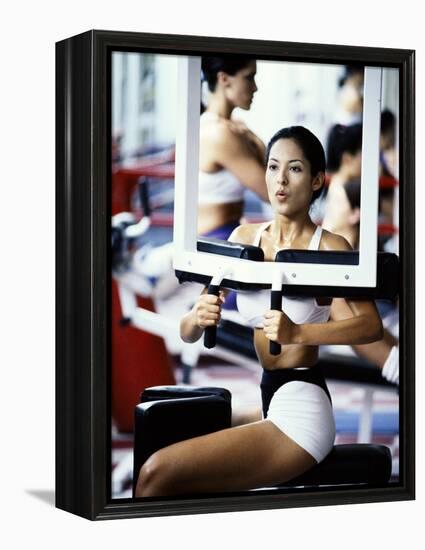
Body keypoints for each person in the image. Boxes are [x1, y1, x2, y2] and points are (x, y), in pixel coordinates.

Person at [134, 126, 383, 497]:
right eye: (272, 167)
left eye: (295, 169)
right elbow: (188, 332)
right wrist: (196, 317)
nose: (280, 180)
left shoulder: (329, 247)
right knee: (157, 430)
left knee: (157, 474)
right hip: (268, 397)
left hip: (302, 406)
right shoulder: (244, 238)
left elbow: (369, 326)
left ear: (317, 180)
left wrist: (299, 333)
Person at [198, 56, 269, 239]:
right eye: (249, 77)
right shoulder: (219, 133)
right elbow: (271, 192)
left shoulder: (234, 126)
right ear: (224, 79)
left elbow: (268, 163)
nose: (255, 87)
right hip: (213, 241)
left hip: (227, 233)